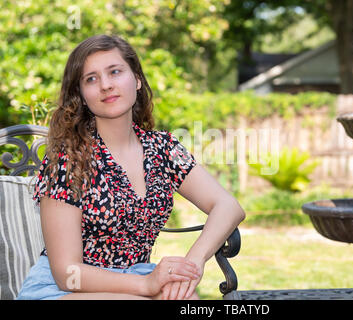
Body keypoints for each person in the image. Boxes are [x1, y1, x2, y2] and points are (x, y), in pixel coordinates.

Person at [16, 34, 245, 300]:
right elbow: (67, 273)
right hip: (65, 290)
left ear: (136, 79)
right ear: (81, 94)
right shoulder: (69, 160)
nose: (105, 85)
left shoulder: (163, 149)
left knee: (187, 300)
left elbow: (228, 206)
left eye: (115, 72)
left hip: (138, 276)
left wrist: (192, 264)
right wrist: (147, 286)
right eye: (91, 79)